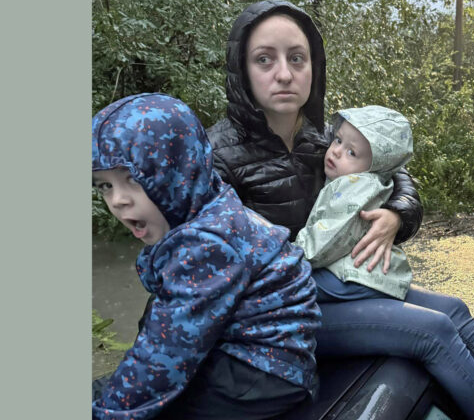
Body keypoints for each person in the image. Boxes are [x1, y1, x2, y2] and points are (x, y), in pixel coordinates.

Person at [208, 0, 474, 420]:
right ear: (242, 69)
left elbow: (395, 173)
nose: (284, 73)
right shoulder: (215, 158)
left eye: (297, 58)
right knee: (433, 331)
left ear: (314, 67)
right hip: (279, 315)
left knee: (455, 309)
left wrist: (396, 215)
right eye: (265, 59)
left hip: (332, 284)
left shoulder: (323, 141)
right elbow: (205, 264)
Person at [91, 93, 321, 420]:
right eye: (104, 186)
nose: (117, 201)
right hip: (258, 356)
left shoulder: (207, 246)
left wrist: (107, 412)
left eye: (132, 179)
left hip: (260, 374)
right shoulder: (210, 206)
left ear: (178, 169)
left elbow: (165, 356)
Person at [295, 106, 416, 301]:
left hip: (353, 276)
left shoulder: (356, 186)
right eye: (338, 140)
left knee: (286, 288)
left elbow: (329, 238)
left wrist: (288, 254)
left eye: (352, 152)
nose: (336, 152)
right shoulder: (359, 181)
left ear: (376, 166)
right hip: (368, 274)